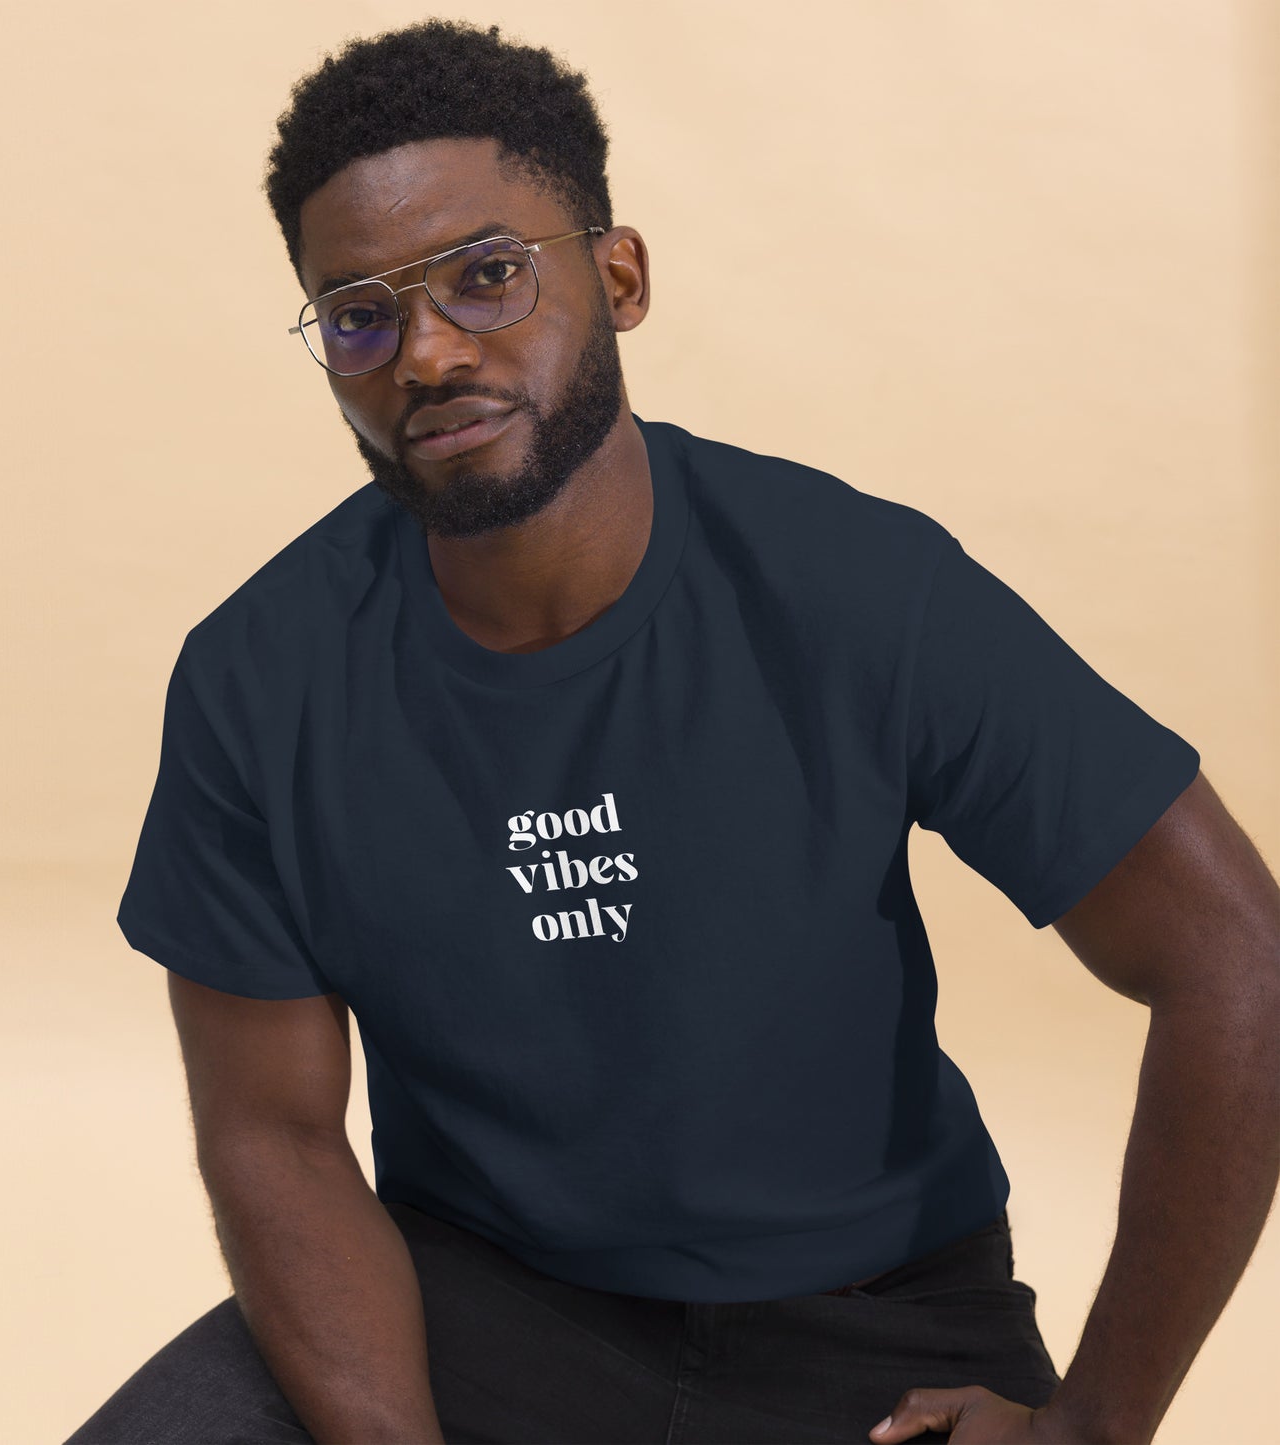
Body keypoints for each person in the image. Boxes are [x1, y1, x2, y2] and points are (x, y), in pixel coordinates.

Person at [65, 19, 1280, 1445]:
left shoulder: (852, 588)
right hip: (478, 1307)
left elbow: (1232, 957)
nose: (429, 352)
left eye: (487, 275)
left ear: (618, 276)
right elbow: (271, 1131)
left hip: (869, 1331)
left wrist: (1094, 1424)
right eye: (359, 316)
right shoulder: (256, 678)